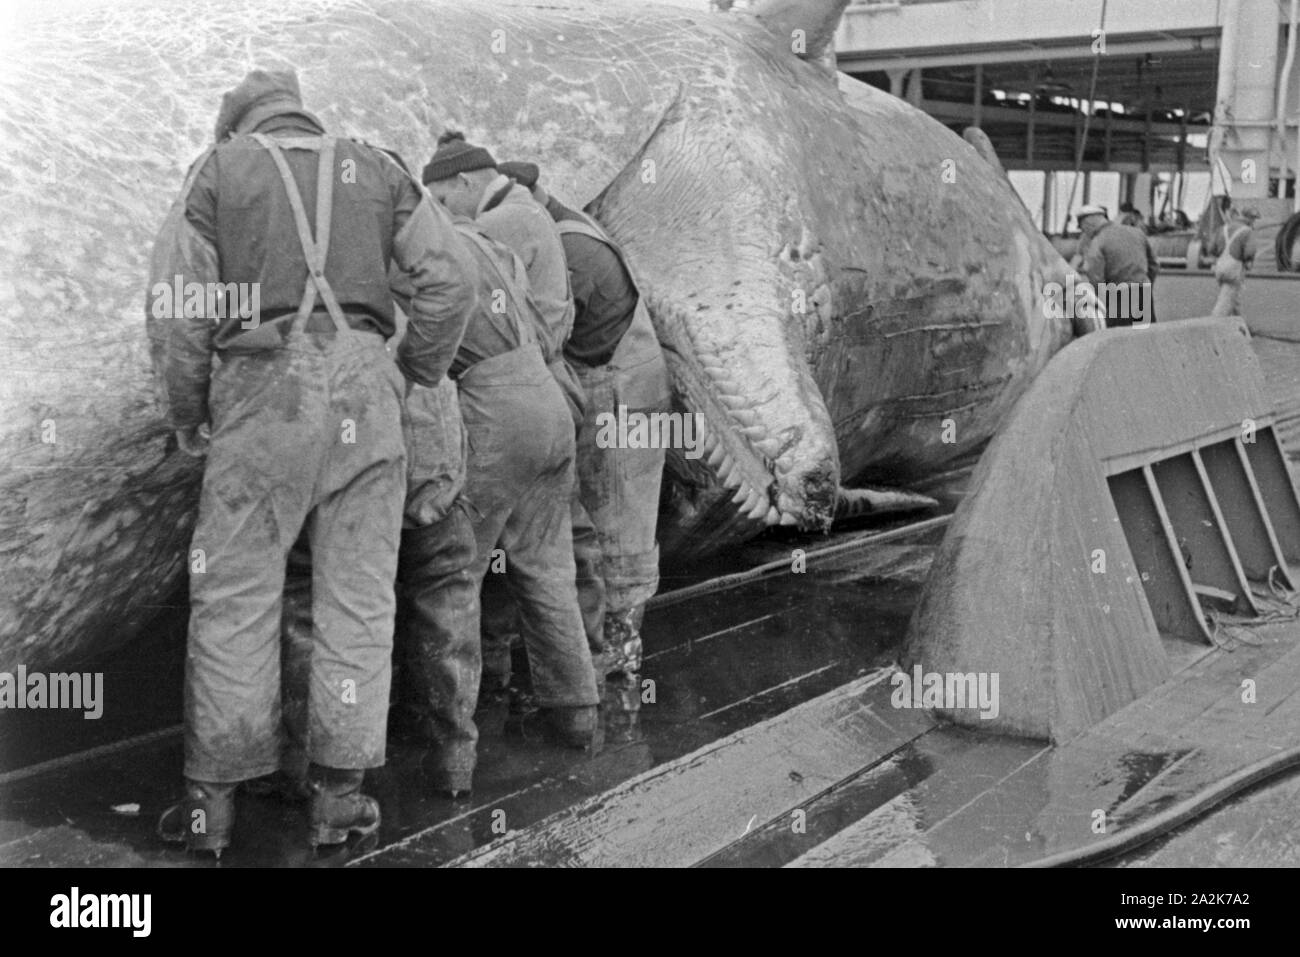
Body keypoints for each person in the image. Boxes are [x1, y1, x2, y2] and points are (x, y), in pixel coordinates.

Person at [151, 69, 478, 855]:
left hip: (263, 393)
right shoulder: (380, 167)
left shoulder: (219, 171)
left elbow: (179, 308)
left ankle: (212, 809)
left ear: (236, 124)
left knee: (236, 597)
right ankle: (339, 800)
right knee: (359, 598)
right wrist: (412, 371)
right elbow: (453, 279)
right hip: (367, 397)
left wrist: (190, 411)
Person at [421, 137, 602, 745]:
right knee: (548, 571)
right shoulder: (503, 242)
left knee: (455, 572)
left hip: (498, 411)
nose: (441, 209)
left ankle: (452, 743)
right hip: (550, 401)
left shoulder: (442, 249)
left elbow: (422, 349)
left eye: (444, 197)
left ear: (463, 186)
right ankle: (577, 714)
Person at [499, 160, 671, 683]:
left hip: (620, 390)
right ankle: (601, 647)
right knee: (609, 519)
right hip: (613, 378)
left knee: (619, 521)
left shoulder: (569, 247)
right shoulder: (563, 225)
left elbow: (548, 329)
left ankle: (617, 656)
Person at [1075, 204, 1160, 326]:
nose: (1085, 233)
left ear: (1087, 224)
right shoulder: (1137, 233)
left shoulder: (1098, 241)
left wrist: (1102, 302)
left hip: (1119, 296)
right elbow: (1154, 265)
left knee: (1117, 339)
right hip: (1143, 294)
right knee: (1145, 336)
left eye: (1083, 229)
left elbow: (1095, 277)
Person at [1211, 206, 1259, 318]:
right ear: (1249, 218)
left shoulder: (1223, 228)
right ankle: (1216, 324)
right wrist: (1249, 261)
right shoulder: (1247, 231)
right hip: (1234, 268)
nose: (1254, 222)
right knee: (1226, 301)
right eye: (1253, 219)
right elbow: (1249, 251)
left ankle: (1240, 324)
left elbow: (1211, 248)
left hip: (1220, 266)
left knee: (1234, 297)